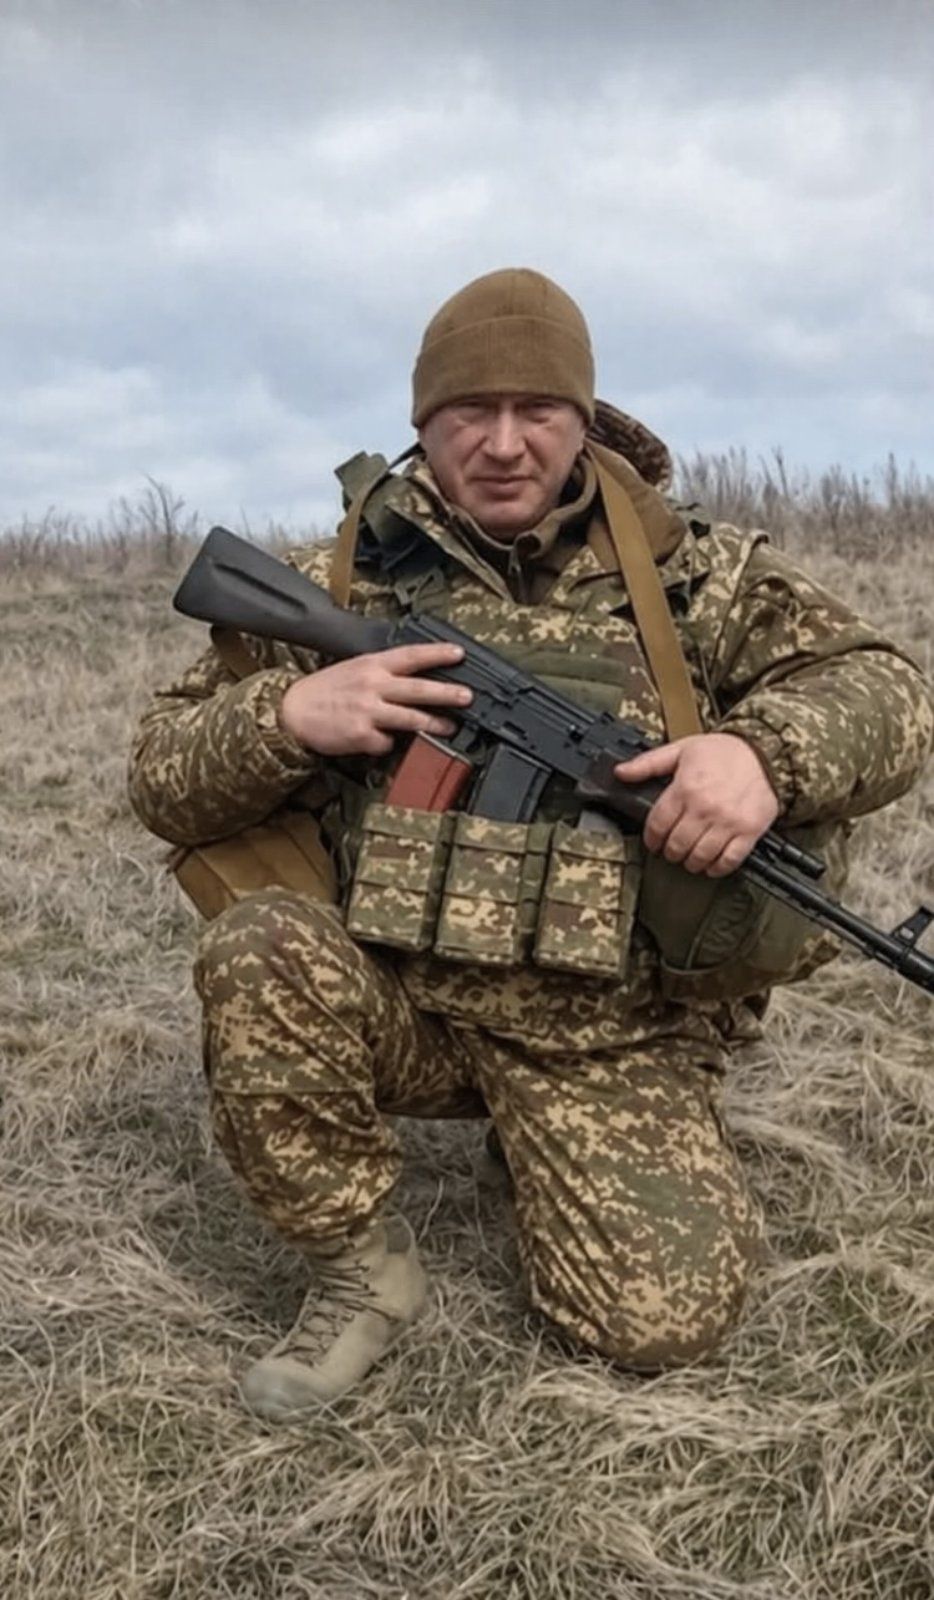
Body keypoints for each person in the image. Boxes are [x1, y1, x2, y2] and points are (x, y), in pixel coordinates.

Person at [129, 268, 933, 1420]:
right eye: (470, 414)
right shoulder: (339, 576)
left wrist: (763, 754)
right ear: (423, 423)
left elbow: (888, 691)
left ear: (583, 421)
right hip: (394, 994)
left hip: (603, 1028)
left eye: (537, 413)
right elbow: (159, 771)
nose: (503, 444)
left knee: (658, 1326)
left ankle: (542, 1140)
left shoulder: (697, 575)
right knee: (258, 951)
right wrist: (290, 715)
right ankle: (361, 1265)